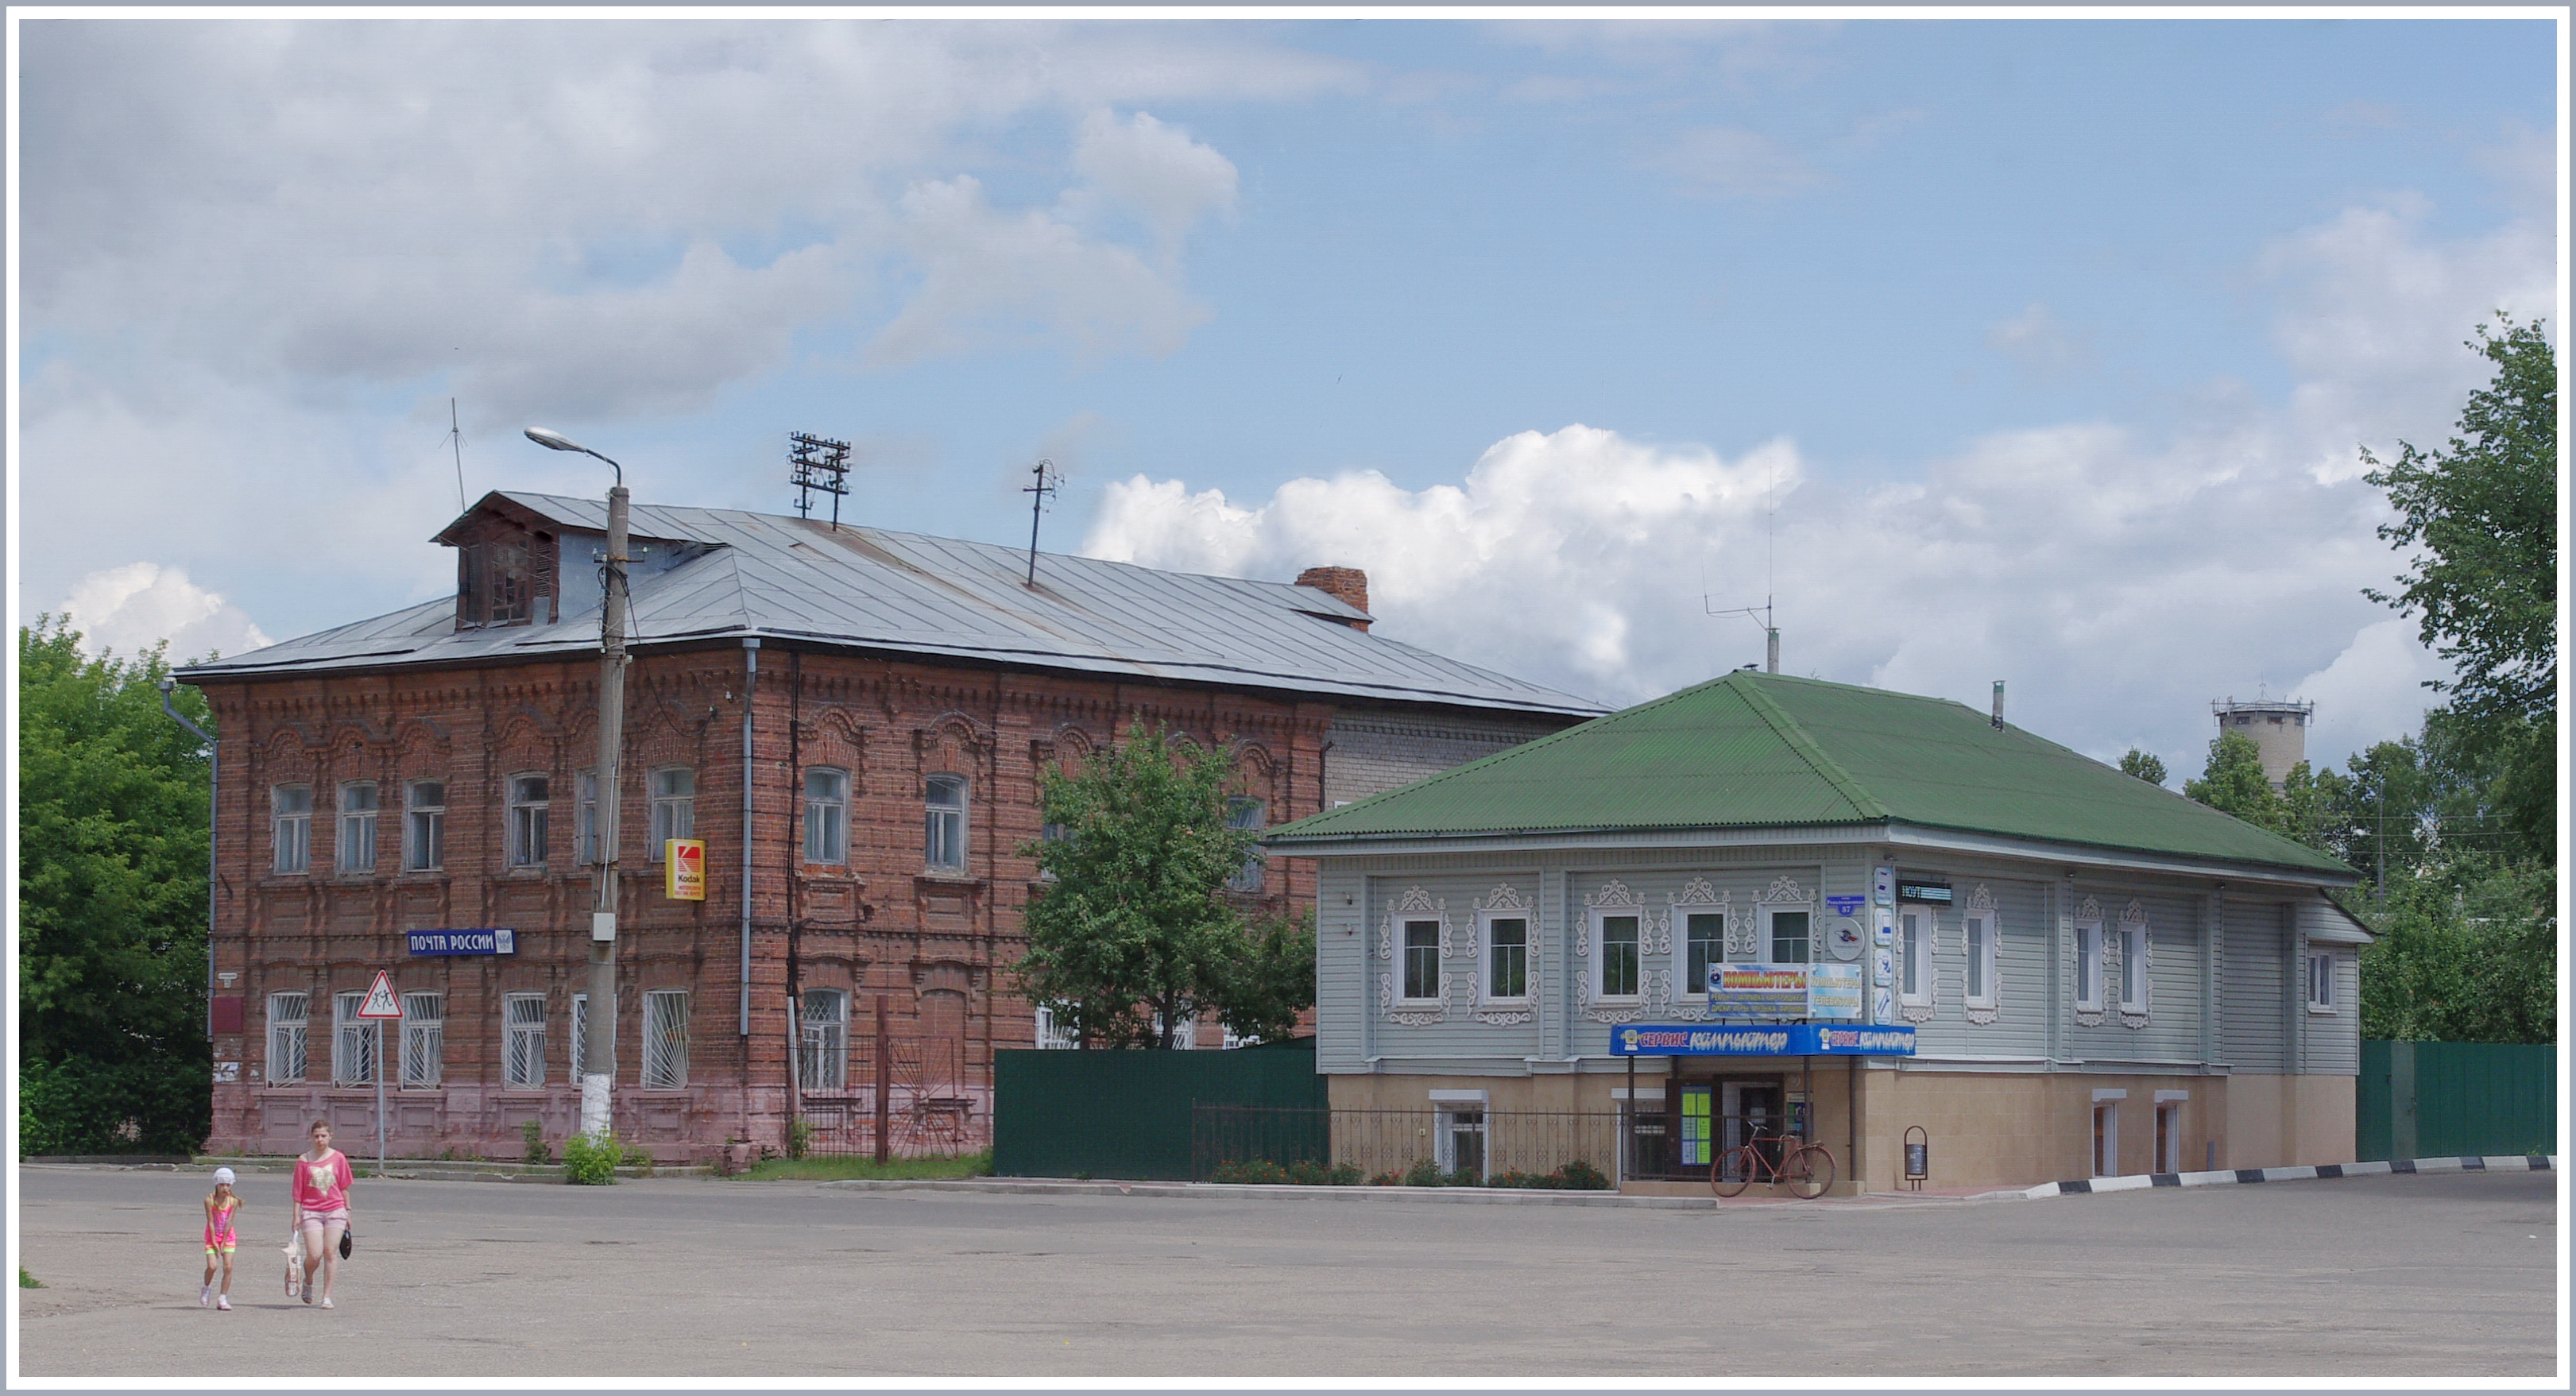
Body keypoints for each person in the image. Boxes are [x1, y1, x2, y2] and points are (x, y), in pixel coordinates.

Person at [290, 1120, 354, 1309]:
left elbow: (344, 1187)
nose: (320, 1139)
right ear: (312, 1137)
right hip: (311, 1211)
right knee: (315, 1254)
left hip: (336, 1209)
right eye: (316, 1136)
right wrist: (296, 1216)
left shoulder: (339, 1158)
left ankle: (326, 1297)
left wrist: (348, 1212)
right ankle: (308, 1280)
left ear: (330, 1136)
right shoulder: (304, 1160)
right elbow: (298, 1192)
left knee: (330, 1253)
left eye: (323, 1136)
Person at [200, 1167, 241, 1310]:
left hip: (228, 1237)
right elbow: (211, 1222)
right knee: (212, 1266)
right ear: (216, 1184)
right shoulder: (209, 1200)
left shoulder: (233, 1201)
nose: (225, 1188)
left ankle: (223, 1298)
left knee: (228, 1267)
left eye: (228, 1185)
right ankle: (206, 1288)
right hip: (212, 1237)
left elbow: (229, 1222)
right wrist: (214, 1242)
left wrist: (223, 1241)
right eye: (222, 1185)